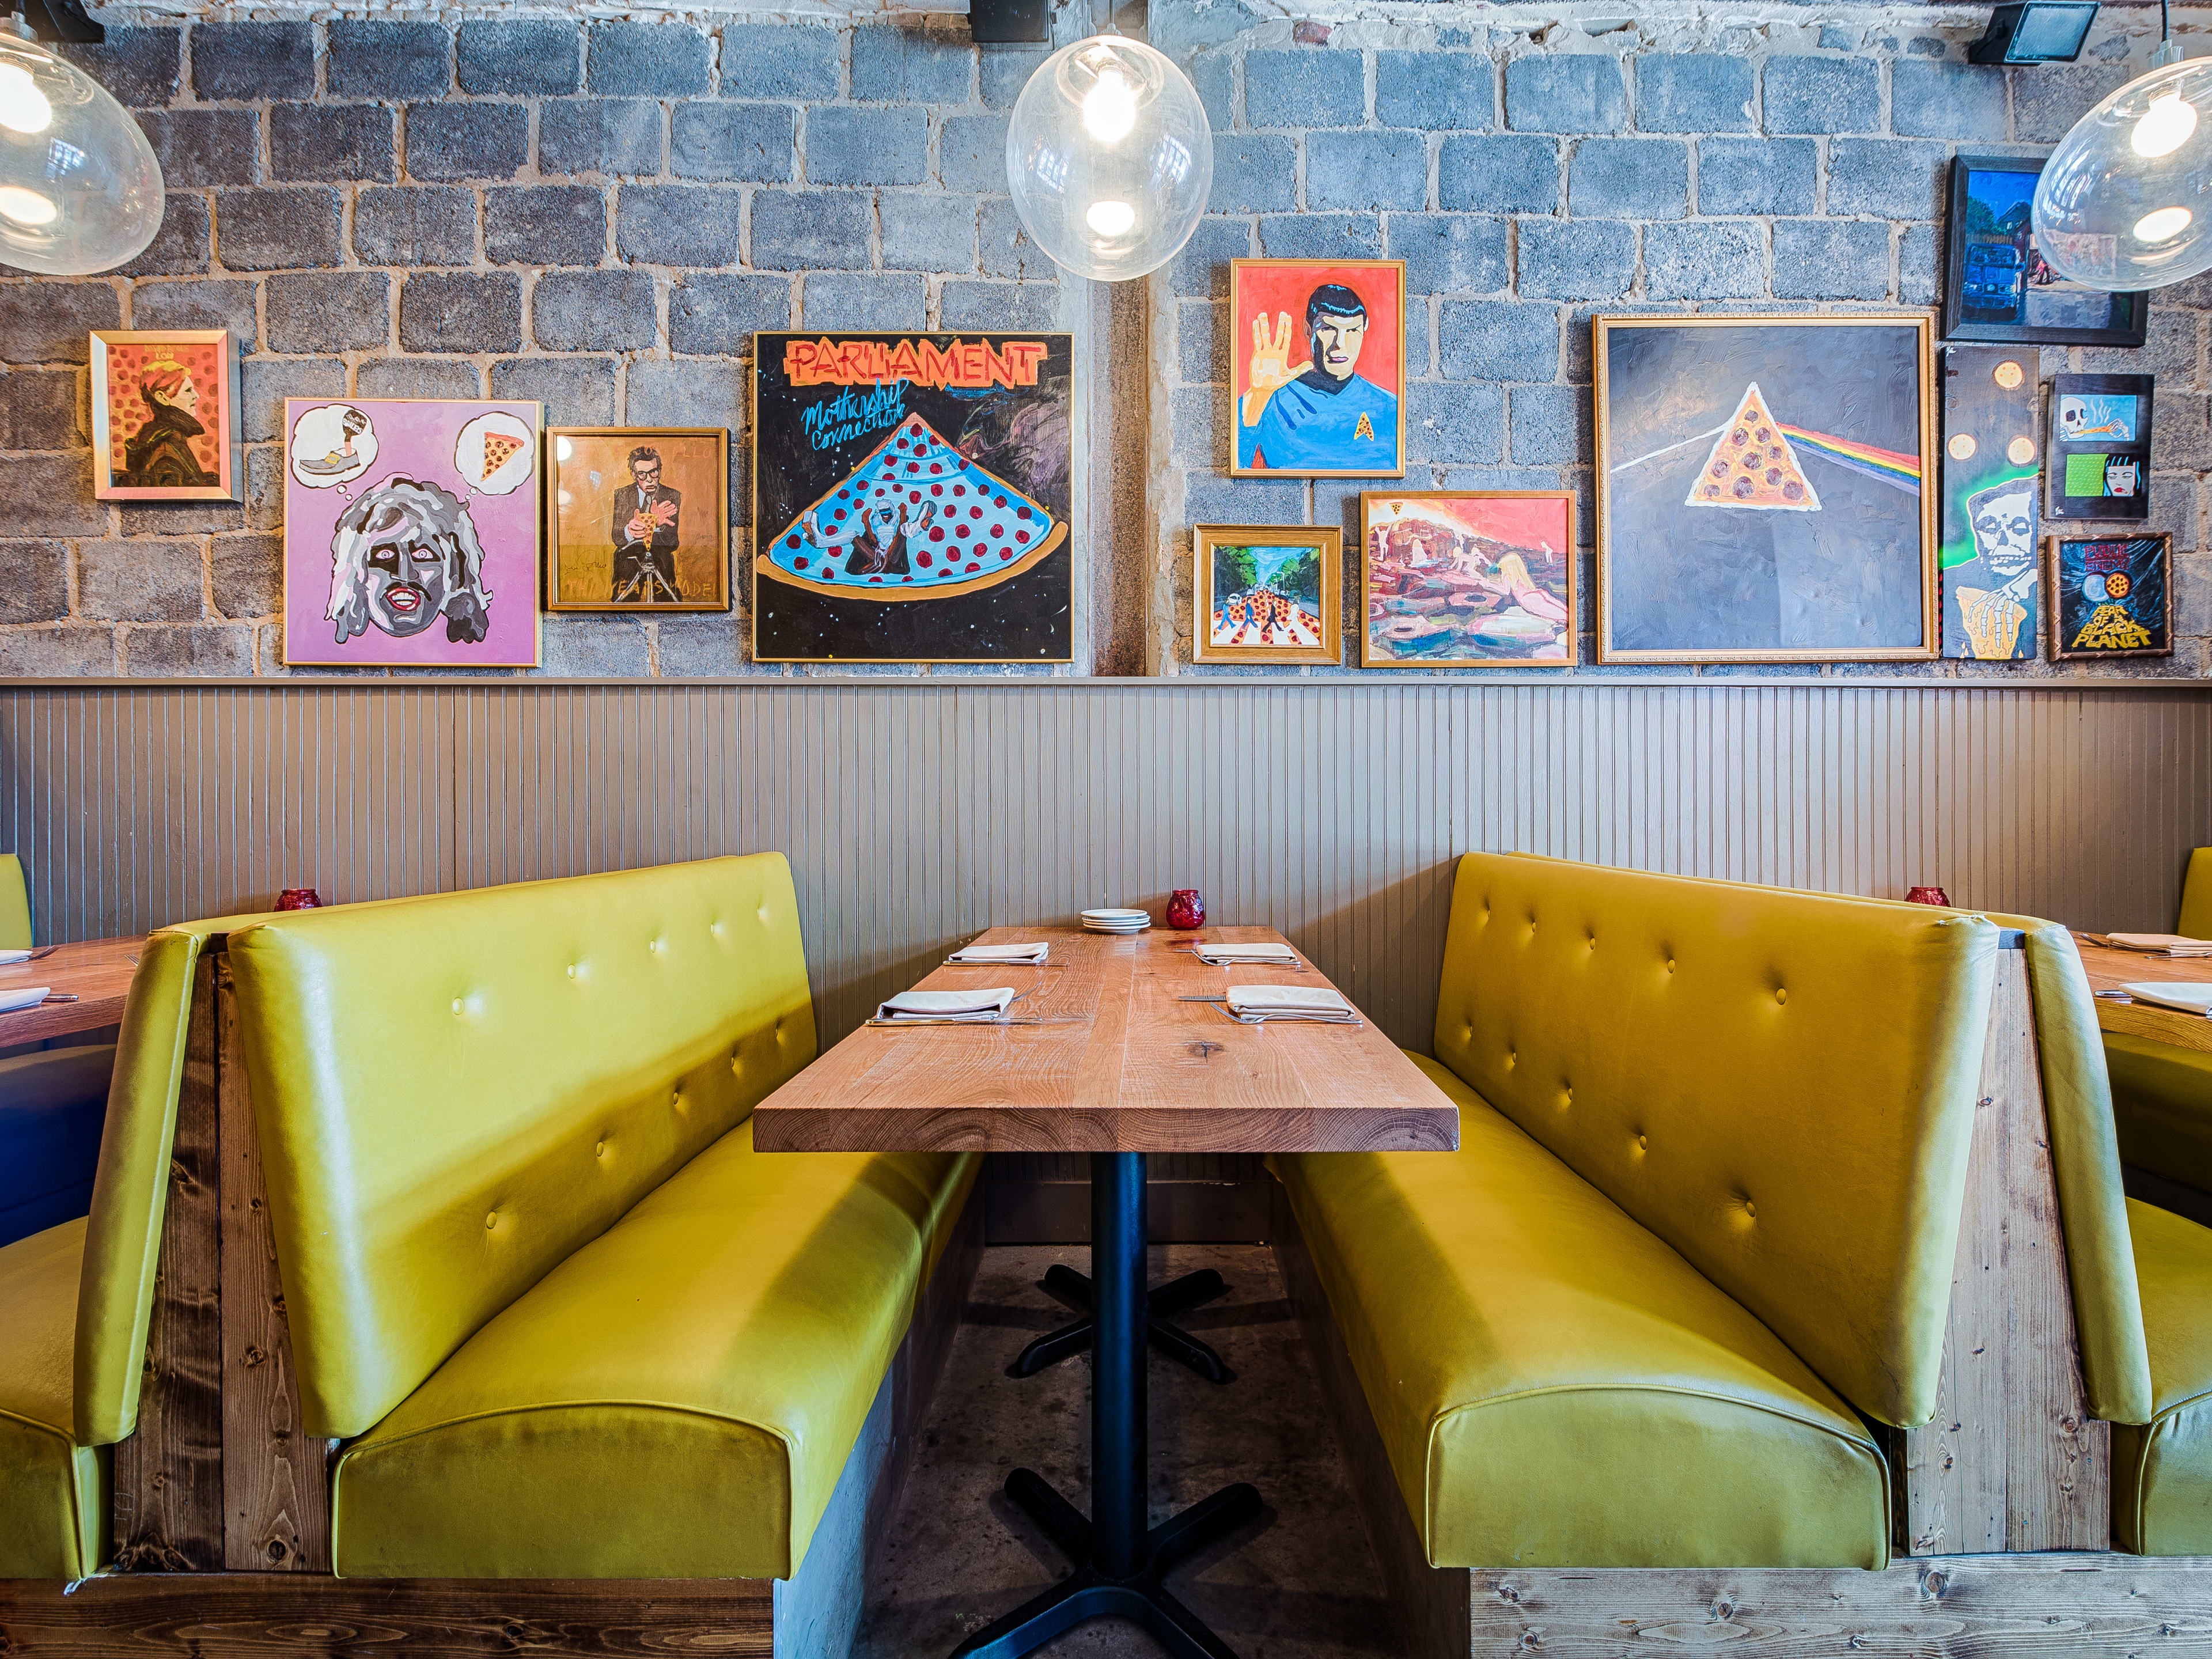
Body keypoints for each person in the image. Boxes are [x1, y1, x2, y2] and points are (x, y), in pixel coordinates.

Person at [1238, 283, 1399, 472]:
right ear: (1309, 330)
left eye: (1352, 331)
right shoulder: (1268, 401)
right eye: (1328, 329)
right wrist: (1259, 396)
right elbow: (1236, 471)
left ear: (1365, 328)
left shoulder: (1389, 408)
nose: (1340, 344)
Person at [118, 359, 217, 489]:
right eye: (188, 391)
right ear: (162, 398)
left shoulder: (160, 436)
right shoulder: (166, 446)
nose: (196, 396)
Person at [610, 446, 682, 603]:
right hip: (628, 566)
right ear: (634, 475)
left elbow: (672, 541)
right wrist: (630, 531)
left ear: (660, 471)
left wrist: (653, 523)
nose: (649, 479)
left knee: (669, 607)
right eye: (642, 474)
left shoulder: (672, 496)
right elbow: (617, 537)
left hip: (662, 565)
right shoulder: (623, 495)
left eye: (653, 472)